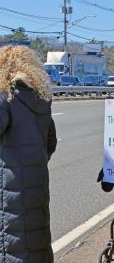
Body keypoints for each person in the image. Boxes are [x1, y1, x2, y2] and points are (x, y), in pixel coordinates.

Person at [0, 45, 57, 262]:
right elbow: (50, 142)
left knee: (12, 244)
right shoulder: (40, 99)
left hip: (9, 188)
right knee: (37, 239)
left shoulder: (6, 98)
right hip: (37, 182)